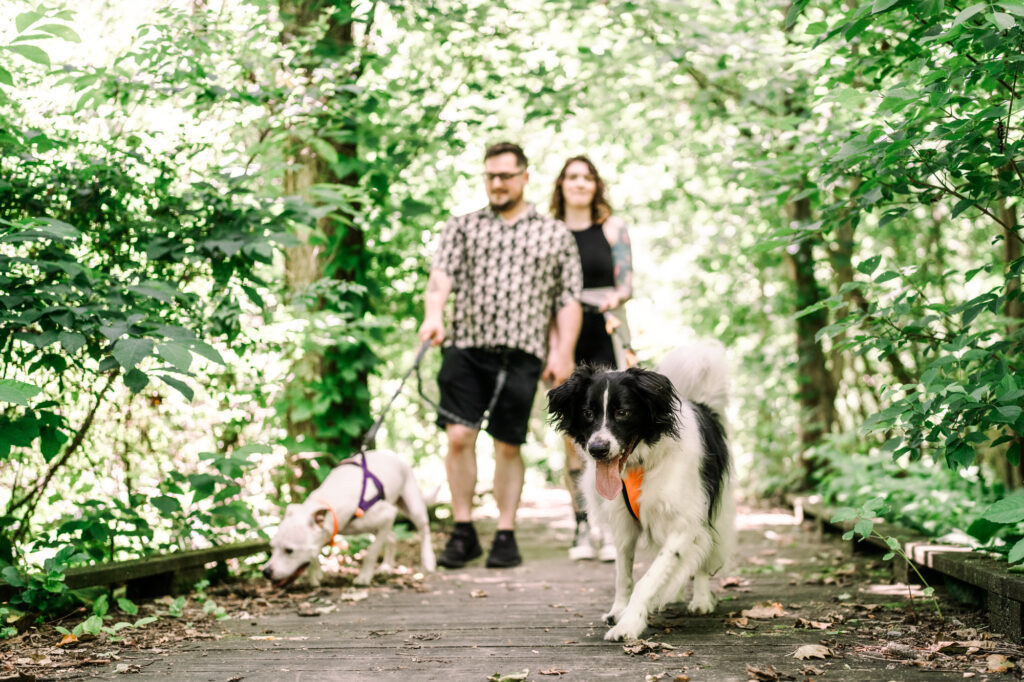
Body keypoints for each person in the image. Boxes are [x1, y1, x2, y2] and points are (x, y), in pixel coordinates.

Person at [419, 142, 583, 569]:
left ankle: (506, 532)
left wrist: (562, 353)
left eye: (505, 176)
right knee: (459, 436)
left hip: (523, 353)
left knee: (508, 445)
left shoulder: (554, 233)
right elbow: (440, 278)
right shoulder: (462, 226)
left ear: (524, 178)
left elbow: (567, 299)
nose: (496, 183)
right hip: (466, 347)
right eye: (490, 175)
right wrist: (433, 316)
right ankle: (463, 529)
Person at [548, 155, 634, 562]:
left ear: (595, 184)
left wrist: (611, 300)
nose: (579, 183)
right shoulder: (548, 231)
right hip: (563, 336)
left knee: (613, 431)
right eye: (572, 177)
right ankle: (582, 527)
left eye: (587, 177)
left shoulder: (613, 227)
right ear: (561, 184)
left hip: (606, 333)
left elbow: (626, 281)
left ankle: (615, 525)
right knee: (573, 438)